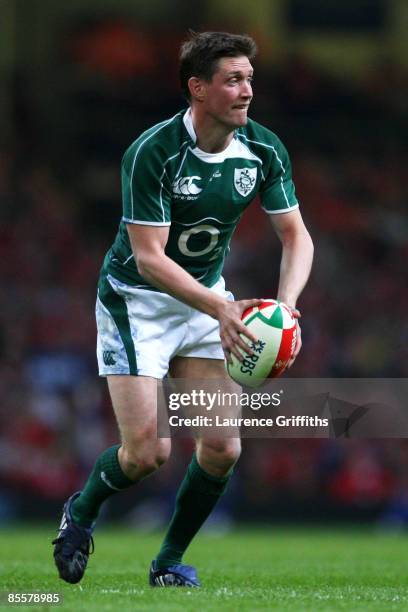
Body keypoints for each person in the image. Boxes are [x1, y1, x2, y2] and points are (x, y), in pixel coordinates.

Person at [52, 31, 314, 587]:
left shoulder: (263, 148)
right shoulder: (153, 151)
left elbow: (297, 237)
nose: (247, 91)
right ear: (198, 88)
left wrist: (286, 308)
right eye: (233, 80)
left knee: (220, 448)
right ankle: (81, 511)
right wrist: (220, 308)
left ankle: (168, 563)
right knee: (147, 453)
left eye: (249, 79)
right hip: (138, 301)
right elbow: (148, 259)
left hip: (205, 301)